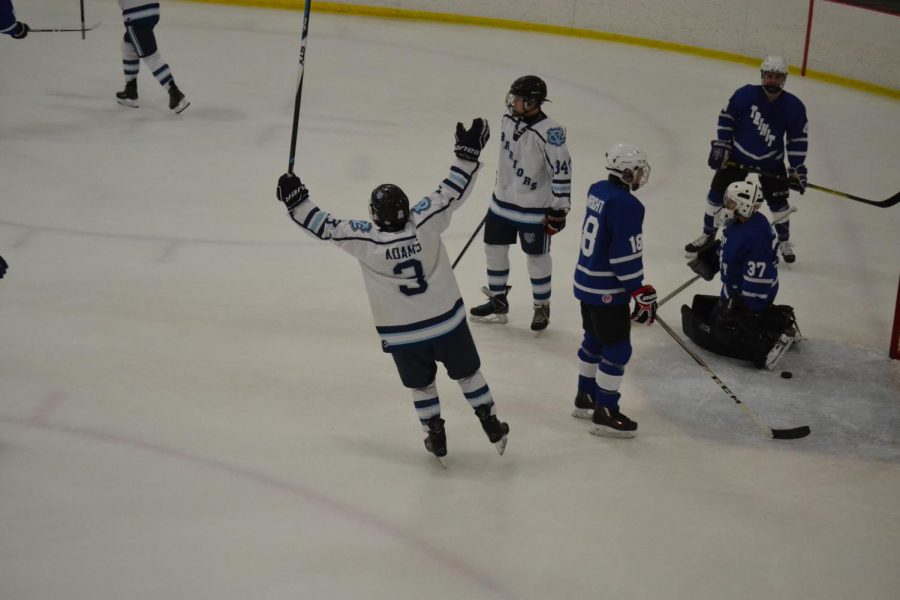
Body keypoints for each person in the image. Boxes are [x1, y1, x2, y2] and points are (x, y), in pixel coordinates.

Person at [275, 118, 509, 466]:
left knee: (422, 387)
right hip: (447, 324)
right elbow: (450, 192)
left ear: (375, 216)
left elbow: (325, 226)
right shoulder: (426, 222)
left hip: (404, 335)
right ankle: (490, 423)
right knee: (468, 374)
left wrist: (296, 201)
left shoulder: (365, 240)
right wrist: (467, 154)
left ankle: (435, 433)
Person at [469, 75, 572, 332]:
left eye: (518, 98)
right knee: (493, 249)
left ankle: (541, 306)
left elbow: (561, 170)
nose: (512, 101)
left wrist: (559, 209)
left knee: (536, 255)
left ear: (532, 102)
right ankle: (497, 300)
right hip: (502, 204)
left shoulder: (552, 132)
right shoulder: (507, 119)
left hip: (534, 209)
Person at [684, 55, 808, 264]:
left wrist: (796, 168)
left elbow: (797, 138)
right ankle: (708, 234)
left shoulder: (794, 106)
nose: (772, 81)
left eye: (777, 77)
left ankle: (784, 241)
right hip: (737, 156)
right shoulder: (746, 94)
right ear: (762, 76)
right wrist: (723, 145)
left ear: (784, 79)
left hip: (771, 160)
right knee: (715, 195)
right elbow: (727, 117)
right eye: (769, 76)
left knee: (779, 203)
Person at [570, 143, 657, 439]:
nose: (642, 175)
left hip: (585, 281)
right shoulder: (628, 205)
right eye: (639, 170)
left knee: (594, 338)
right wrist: (638, 289)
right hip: (606, 287)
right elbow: (623, 255)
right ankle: (605, 411)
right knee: (618, 348)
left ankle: (586, 396)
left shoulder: (598, 189)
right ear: (626, 171)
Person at [682, 180, 801, 369]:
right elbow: (732, 250)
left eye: (730, 203)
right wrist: (712, 260)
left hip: (747, 297)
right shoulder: (738, 224)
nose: (725, 206)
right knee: (712, 320)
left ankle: (774, 333)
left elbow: (760, 279)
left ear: (744, 206)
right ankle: (772, 319)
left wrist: (744, 309)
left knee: (727, 334)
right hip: (733, 292)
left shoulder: (756, 237)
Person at [115, 1, 189, 113]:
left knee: (151, 56)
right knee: (128, 46)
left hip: (136, 13)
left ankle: (174, 93)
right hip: (151, 9)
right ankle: (130, 90)